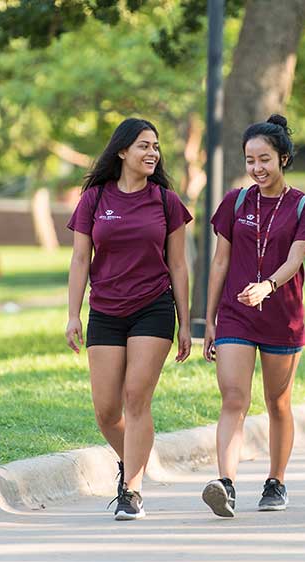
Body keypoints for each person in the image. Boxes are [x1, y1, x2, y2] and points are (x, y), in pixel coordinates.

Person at [65, 118, 193, 521]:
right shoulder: (94, 199)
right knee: (106, 409)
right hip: (105, 308)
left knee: (137, 396)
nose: (152, 153)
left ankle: (131, 490)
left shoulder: (166, 201)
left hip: (153, 307)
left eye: (155, 146)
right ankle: (133, 461)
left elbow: (178, 265)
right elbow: (80, 259)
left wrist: (187, 323)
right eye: (143, 146)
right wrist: (73, 314)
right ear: (122, 151)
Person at [200, 114, 305, 518]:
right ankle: (226, 484)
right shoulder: (235, 202)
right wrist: (211, 319)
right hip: (236, 315)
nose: (257, 168)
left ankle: (276, 481)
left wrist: (268, 286)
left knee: (278, 402)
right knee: (233, 398)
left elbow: (296, 257)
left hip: (282, 318)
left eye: (265, 159)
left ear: (283, 158)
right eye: (250, 159)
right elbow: (220, 263)